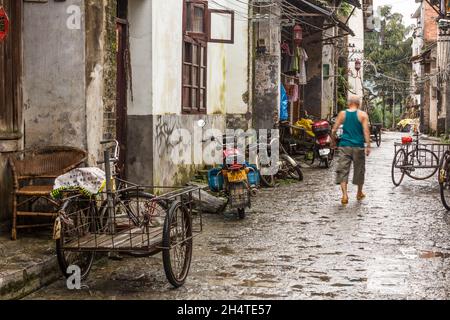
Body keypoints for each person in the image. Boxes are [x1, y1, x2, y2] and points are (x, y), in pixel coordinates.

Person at [331, 95, 371, 205]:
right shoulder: (363, 115)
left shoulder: (342, 114)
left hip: (344, 146)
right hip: (358, 146)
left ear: (349, 103)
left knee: (343, 170)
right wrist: (368, 145)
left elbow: (334, 129)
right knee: (359, 170)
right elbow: (366, 131)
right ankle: (359, 193)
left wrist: (333, 141)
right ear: (359, 104)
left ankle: (344, 196)